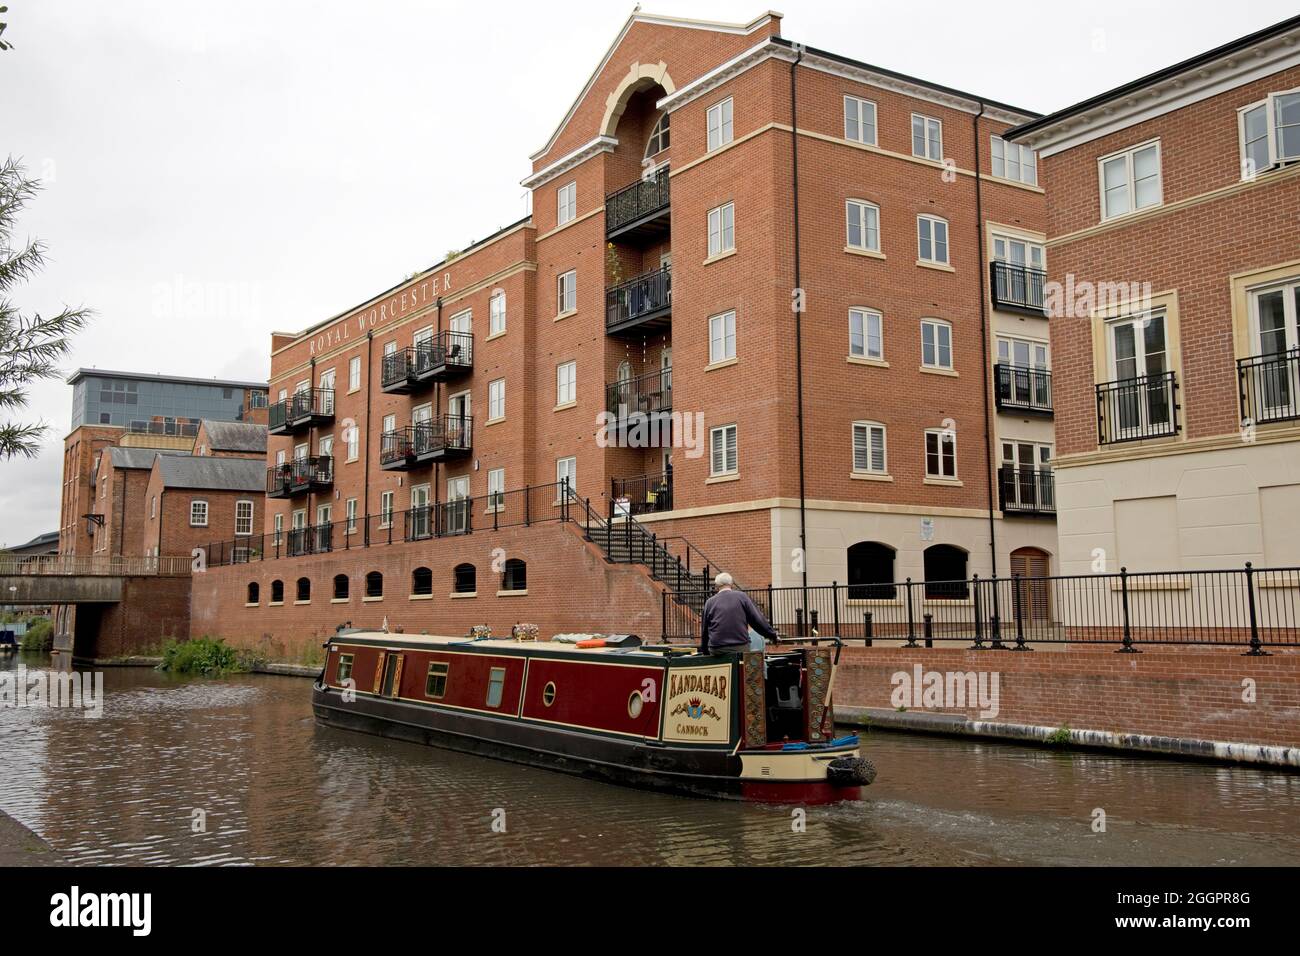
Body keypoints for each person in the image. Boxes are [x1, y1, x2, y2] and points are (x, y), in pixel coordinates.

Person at [700, 572, 778, 655]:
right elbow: (757, 620)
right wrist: (772, 635)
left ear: (716, 586)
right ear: (732, 584)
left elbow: (705, 629)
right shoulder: (742, 597)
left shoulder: (709, 602)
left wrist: (705, 650)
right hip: (739, 646)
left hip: (717, 648)